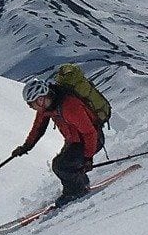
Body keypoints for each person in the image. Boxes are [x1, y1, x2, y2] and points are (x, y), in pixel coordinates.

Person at [12, 77, 104, 205]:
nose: (30, 107)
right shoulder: (47, 108)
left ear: (40, 99)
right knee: (64, 163)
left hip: (92, 140)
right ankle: (80, 183)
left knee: (60, 165)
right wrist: (26, 147)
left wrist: (88, 157)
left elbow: (90, 132)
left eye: (31, 103)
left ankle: (76, 191)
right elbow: (38, 128)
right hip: (75, 141)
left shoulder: (69, 106)